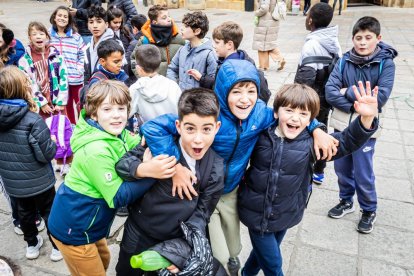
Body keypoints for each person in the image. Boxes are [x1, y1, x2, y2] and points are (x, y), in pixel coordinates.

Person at [141, 59, 338, 275]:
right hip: (199, 191)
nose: (245, 100)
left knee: (234, 248)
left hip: (230, 191)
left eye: (251, 91)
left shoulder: (261, 114)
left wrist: (317, 128)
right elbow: (154, 126)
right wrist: (176, 166)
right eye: (236, 92)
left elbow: (288, 114)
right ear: (224, 91)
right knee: (218, 254)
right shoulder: (210, 114)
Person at [239, 82, 379, 276]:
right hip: (256, 213)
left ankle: (246, 273)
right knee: (273, 264)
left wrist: (366, 118)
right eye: (289, 111)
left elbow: (346, 142)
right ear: (276, 112)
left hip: (288, 212)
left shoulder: (312, 144)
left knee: (262, 253)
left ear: (310, 119)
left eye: (303, 114)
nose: (295, 118)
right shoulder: (260, 135)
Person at [48, 80, 173, 275]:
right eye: (107, 109)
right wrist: (152, 173)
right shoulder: (95, 149)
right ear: (94, 114)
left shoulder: (118, 133)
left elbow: (141, 142)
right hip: (74, 229)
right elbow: (118, 197)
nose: (116, 115)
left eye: (121, 108)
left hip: (92, 224)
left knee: (103, 261)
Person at [115, 88, 225, 276]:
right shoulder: (159, 146)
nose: (198, 139)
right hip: (139, 232)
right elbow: (122, 165)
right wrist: (145, 169)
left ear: (217, 127)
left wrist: (180, 249)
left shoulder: (216, 167)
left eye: (206, 129)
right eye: (190, 128)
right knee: (126, 270)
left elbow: (202, 213)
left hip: (175, 239)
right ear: (178, 126)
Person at [325, 16, 398, 234]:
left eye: (368, 37)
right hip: (340, 123)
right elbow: (330, 91)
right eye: (358, 38)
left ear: (378, 38)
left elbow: (380, 97)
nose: (363, 42)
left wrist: (346, 91)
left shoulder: (386, 63)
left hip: (366, 127)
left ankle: (368, 209)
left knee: (363, 170)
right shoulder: (344, 60)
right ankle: (346, 200)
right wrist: (357, 102)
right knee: (341, 167)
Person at [0, 66, 62, 262]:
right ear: (22, 89)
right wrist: (51, 140)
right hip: (39, 181)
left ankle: (32, 245)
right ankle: (57, 247)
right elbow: (46, 154)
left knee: (24, 214)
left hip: (13, 183)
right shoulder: (32, 120)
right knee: (49, 212)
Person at [294, 2, 342, 184]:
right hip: (326, 96)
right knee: (322, 128)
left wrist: (297, 100)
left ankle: (304, 168)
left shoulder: (312, 44)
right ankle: (319, 170)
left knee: (307, 131)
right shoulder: (332, 39)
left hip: (312, 98)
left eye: (307, 16)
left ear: (311, 20)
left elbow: (305, 79)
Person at [196, 21, 272, 104]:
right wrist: (202, 78)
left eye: (217, 42)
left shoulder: (234, 69)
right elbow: (222, 83)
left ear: (229, 45)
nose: (214, 45)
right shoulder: (237, 58)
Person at [18, 21, 68, 120]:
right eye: (34, 34)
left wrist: (61, 101)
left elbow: (64, 78)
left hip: (57, 104)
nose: (38, 36)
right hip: (39, 106)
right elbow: (28, 83)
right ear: (30, 38)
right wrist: (42, 103)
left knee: (60, 130)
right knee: (42, 132)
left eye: (41, 34)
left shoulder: (57, 56)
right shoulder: (25, 60)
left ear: (47, 36)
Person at [49, 6, 86, 125]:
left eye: (65, 16)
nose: (62, 18)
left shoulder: (76, 37)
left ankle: (84, 126)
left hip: (75, 78)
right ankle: (71, 127)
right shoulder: (48, 37)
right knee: (67, 106)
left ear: (69, 20)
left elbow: (82, 54)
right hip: (59, 80)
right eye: (59, 15)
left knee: (80, 105)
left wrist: (79, 68)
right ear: (54, 17)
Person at [129, 44, 181, 122]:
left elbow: (126, 114)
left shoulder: (134, 89)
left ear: (138, 68)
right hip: (173, 131)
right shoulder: (173, 85)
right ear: (159, 64)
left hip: (148, 133)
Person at [166, 11, 216, 91]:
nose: (181, 28)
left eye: (186, 26)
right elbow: (172, 69)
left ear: (197, 31)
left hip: (198, 100)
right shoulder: (182, 49)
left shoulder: (209, 54)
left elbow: (213, 82)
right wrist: (174, 87)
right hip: (182, 97)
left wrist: (201, 79)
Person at [130, 4, 185, 77]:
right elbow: (134, 61)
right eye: (164, 18)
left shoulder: (179, 37)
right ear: (154, 22)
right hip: (154, 85)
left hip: (175, 84)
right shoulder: (145, 40)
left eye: (169, 16)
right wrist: (146, 80)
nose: (169, 19)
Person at [84, 5, 124, 84]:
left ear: (106, 24)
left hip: (110, 89)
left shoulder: (116, 43)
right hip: (92, 90)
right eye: (91, 22)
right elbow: (86, 74)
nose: (95, 26)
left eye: (99, 21)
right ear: (87, 25)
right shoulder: (87, 47)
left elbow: (122, 70)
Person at [252, 0, 286, 71]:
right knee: (268, 43)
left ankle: (264, 66)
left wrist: (256, 13)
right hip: (273, 20)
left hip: (265, 21)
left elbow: (264, 8)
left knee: (261, 44)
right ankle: (278, 59)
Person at [125, 14, 147, 85]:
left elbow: (129, 64)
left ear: (135, 29)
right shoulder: (151, 38)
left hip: (136, 79)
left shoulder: (134, 44)